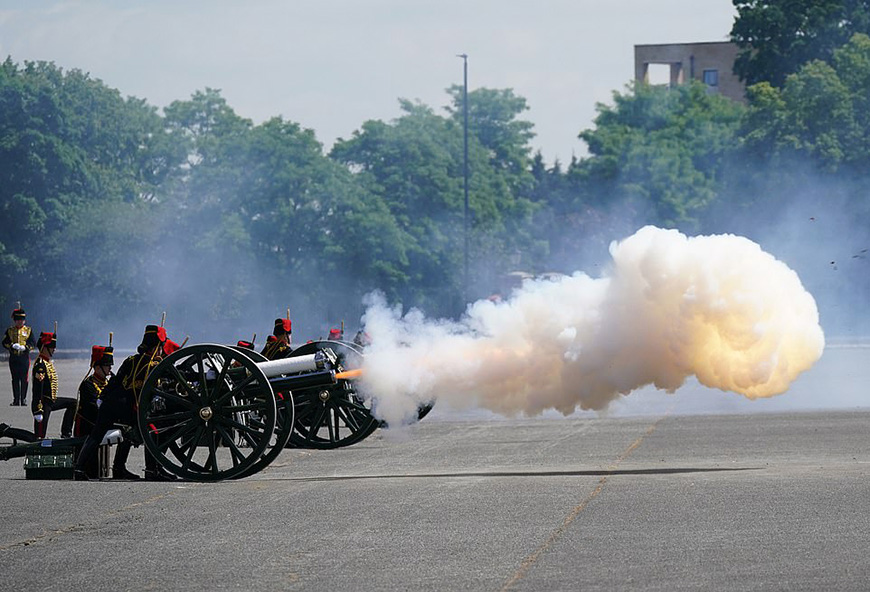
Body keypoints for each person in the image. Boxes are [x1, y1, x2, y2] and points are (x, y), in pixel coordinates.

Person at [74, 325, 176, 481]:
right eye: (160, 347)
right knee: (153, 433)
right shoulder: (154, 365)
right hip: (128, 406)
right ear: (156, 346)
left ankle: (80, 470)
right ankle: (151, 470)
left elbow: (115, 380)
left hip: (110, 403)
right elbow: (177, 375)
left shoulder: (131, 360)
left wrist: (103, 397)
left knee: (96, 435)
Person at [74, 344, 114, 477]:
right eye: (107, 366)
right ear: (97, 368)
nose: (110, 369)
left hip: (100, 424)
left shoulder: (107, 383)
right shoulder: (88, 385)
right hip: (88, 427)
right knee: (92, 470)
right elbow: (93, 409)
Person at [31, 332, 76, 439]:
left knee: (73, 403)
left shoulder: (47, 362)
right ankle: (8, 431)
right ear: (45, 348)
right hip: (43, 404)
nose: (54, 350)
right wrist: (37, 409)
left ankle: (66, 433)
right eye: (52, 347)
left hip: (51, 400)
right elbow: (37, 389)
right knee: (38, 438)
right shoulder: (40, 365)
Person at [3, 308, 36, 406]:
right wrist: (12, 345)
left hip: (24, 357)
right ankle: (16, 400)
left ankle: (23, 399)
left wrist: (25, 347)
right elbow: (4, 342)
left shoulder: (28, 330)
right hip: (14, 358)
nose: (20, 322)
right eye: (18, 320)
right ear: (15, 320)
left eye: (21, 320)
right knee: (15, 379)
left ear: (24, 320)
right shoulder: (10, 330)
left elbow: (33, 343)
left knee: (24, 379)